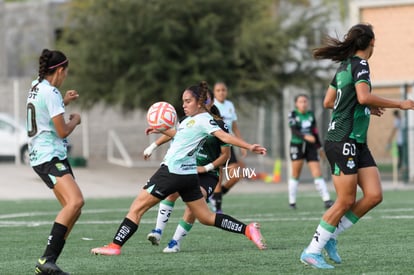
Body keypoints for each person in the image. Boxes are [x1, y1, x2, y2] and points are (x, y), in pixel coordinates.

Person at [90, 81, 267, 257]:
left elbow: (224, 136)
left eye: (188, 101)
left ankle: (115, 245)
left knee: (136, 208)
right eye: (183, 101)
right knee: (206, 218)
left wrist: (249, 146)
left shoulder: (205, 121)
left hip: (171, 172)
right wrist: (161, 129)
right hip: (188, 175)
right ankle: (247, 230)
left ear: (200, 102)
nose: (183, 105)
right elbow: (180, 135)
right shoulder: (191, 121)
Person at [299, 23, 414, 269]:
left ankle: (331, 236)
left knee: (373, 195)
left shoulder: (344, 66)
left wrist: (363, 106)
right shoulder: (360, 64)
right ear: (370, 43)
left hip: (356, 142)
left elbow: (329, 101)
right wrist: (399, 104)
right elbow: (361, 96)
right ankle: (312, 250)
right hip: (343, 140)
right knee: (345, 201)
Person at [144, 89, 230, 253]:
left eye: (207, 100)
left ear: (209, 103)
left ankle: (175, 242)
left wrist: (206, 167)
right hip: (187, 169)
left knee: (194, 205)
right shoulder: (187, 121)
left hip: (208, 174)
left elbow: (226, 155)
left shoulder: (220, 125)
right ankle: (158, 231)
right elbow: (174, 134)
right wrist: (153, 145)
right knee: (171, 193)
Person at [27, 49, 83, 275]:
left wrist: (63, 101)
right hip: (48, 155)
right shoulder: (50, 93)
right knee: (75, 202)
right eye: (65, 72)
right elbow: (61, 131)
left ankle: (49, 263)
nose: (66, 76)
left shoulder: (36, 85)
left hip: (49, 155)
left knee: (74, 208)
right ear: (59, 70)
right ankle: (46, 259)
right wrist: (76, 121)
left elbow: (45, 109)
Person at [288, 94, 333, 210]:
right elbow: (294, 130)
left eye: (305, 101)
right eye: (301, 102)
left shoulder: (311, 115)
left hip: (311, 147)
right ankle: (292, 201)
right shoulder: (293, 114)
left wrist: (320, 147)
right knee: (295, 174)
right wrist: (305, 137)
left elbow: (315, 132)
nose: (303, 104)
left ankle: (327, 199)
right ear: (296, 104)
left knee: (317, 172)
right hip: (297, 145)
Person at [210, 82, 246, 213]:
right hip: (216, 143)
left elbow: (234, 127)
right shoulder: (211, 105)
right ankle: (218, 207)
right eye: (218, 90)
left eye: (223, 90)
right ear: (214, 92)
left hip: (229, 144)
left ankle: (216, 196)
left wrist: (242, 144)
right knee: (218, 176)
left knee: (236, 175)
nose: (221, 92)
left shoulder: (230, 105)